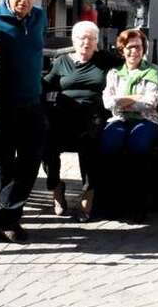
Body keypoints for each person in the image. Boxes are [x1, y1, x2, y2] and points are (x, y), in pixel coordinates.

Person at [0, 0, 48, 243]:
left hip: (32, 101)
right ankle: (6, 218)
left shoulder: (40, 17)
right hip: (2, 104)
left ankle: (4, 210)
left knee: (32, 158)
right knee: (1, 163)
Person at [42, 21, 120, 217]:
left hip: (93, 115)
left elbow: (129, 63)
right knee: (46, 142)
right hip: (63, 113)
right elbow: (46, 84)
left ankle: (88, 192)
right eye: (82, 38)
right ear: (73, 40)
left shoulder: (104, 60)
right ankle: (56, 187)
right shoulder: (62, 61)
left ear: (96, 42)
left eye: (91, 39)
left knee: (90, 143)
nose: (86, 42)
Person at [100, 29, 158, 222]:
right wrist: (135, 97)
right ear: (122, 50)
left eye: (138, 47)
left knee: (139, 147)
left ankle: (138, 205)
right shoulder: (114, 73)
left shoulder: (152, 71)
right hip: (119, 119)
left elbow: (150, 102)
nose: (134, 51)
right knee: (109, 145)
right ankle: (113, 203)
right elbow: (108, 102)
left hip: (147, 119)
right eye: (129, 47)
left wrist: (122, 100)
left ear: (143, 49)